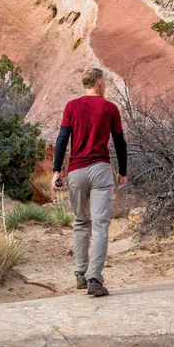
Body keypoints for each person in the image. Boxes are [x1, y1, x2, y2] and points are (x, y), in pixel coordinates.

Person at [51, 67, 128, 298]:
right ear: (100, 83)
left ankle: (80, 273)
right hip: (100, 170)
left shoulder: (71, 107)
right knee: (100, 224)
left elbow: (62, 139)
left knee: (80, 221)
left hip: (76, 171)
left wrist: (57, 170)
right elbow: (120, 143)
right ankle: (95, 279)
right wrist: (123, 171)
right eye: (105, 83)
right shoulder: (110, 108)